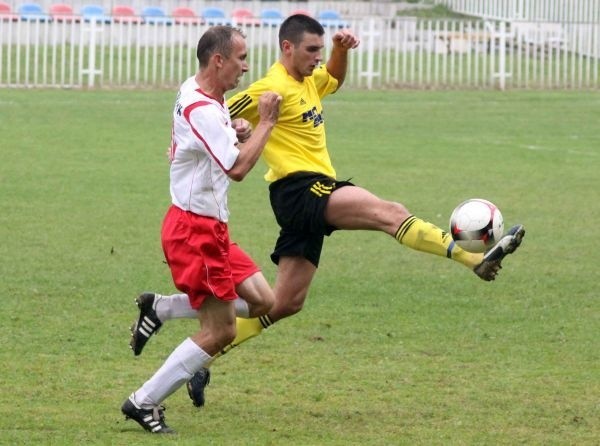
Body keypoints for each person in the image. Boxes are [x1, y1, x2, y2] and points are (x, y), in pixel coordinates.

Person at [132, 14, 525, 408]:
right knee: (388, 212)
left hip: (313, 190)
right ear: (287, 48)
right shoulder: (270, 88)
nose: (318, 58)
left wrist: (340, 51)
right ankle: (470, 256)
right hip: (299, 190)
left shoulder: (309, 80)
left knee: (281, 303)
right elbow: (219, 114)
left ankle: (194, 344)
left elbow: (333, 80)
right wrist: (234, 126)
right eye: (312, 50)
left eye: (320, 50)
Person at [121, 25, 281, 434]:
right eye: (242, 58)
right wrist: (264, 123)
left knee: (264, 301)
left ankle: (161, 308)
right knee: (221, 330)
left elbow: (208, 141)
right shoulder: (204, 108)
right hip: (196, 231)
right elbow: (239, 168)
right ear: (219, 60)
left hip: (211, 228)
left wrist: (235, 130)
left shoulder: (203, 93)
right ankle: (144, 401)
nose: (247, 67)